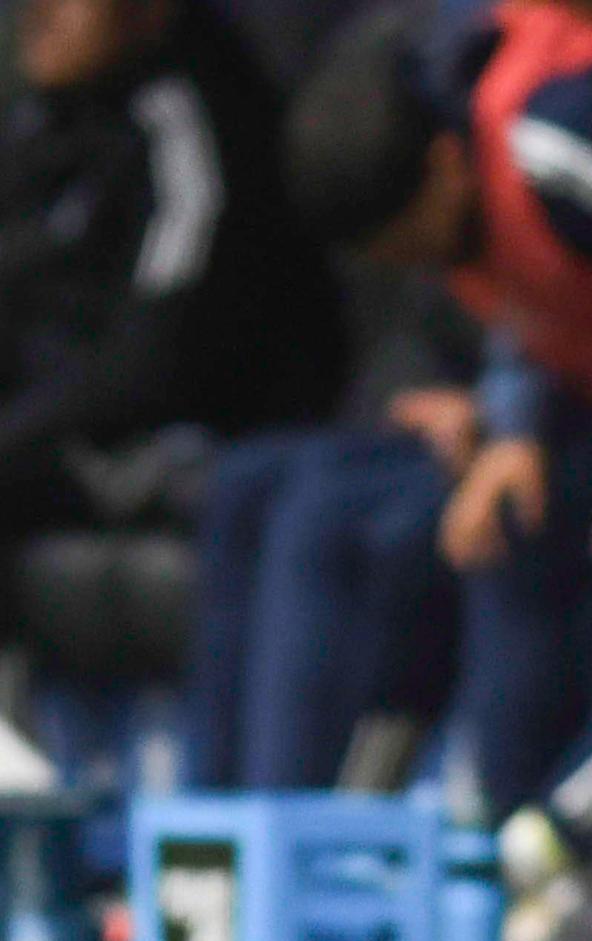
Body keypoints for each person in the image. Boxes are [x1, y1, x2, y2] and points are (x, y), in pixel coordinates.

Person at [281, 0, 592, 815]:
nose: (417, 264)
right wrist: (515, 429)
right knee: (506, 524)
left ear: (444, 164)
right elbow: (532, 302)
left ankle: (591, 845)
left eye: (408, 239)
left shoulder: (569, 133)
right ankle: (495, 842)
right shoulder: (467, 205)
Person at [1, 0, 342, 538]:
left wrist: (20, 430)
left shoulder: (191, 115)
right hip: (50, 421)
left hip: (176, 433)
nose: (39, 11)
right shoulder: (43, 125)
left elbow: (156, 356)